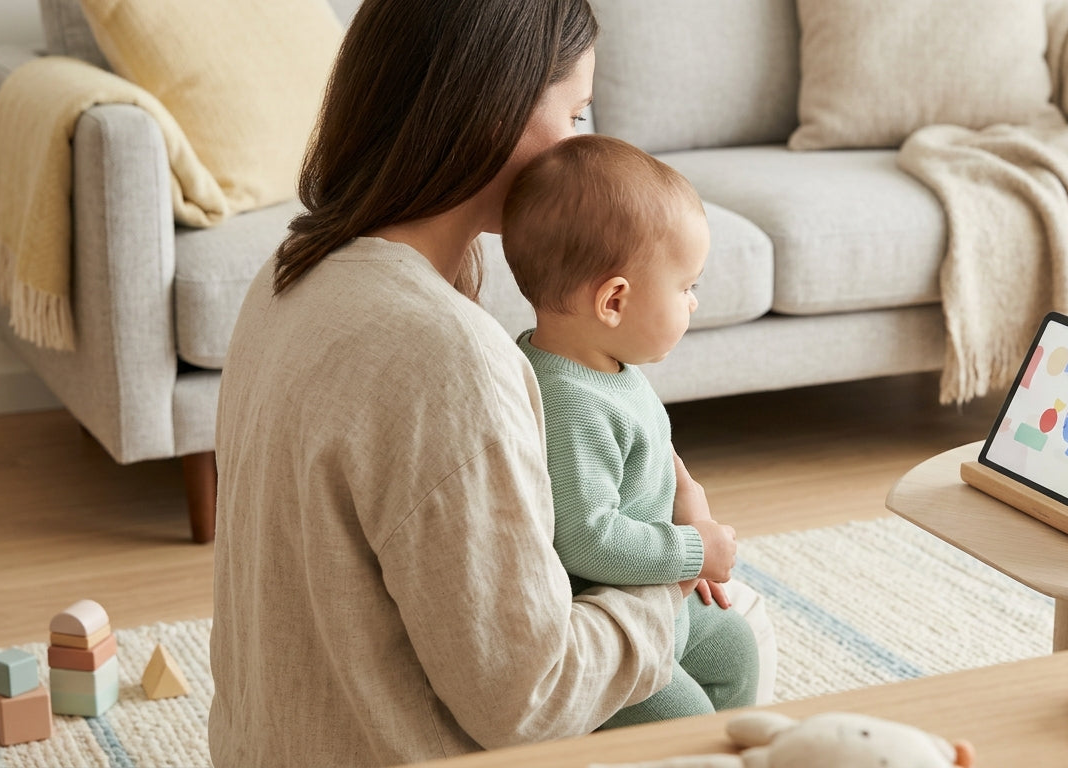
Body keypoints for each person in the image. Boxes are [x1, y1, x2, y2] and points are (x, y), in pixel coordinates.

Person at [207, 1, 749, 766]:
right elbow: (529, 699)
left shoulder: (293, 270)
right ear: (490, 108)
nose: (584, 145)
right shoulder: (442, 357)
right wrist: (678, 558)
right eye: (575, 113)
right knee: (712, 694)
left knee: (718, 664)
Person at [501, 134, 760, 728]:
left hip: (655, 600)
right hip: (609, 629)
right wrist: (694, 549)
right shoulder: (569, 403)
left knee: (734, 649)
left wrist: (689, 501)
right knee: (686, 719)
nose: (693, 303)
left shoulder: (604, 368)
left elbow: (648, 444)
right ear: (614, 300)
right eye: (686, 287)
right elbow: (588, 540)